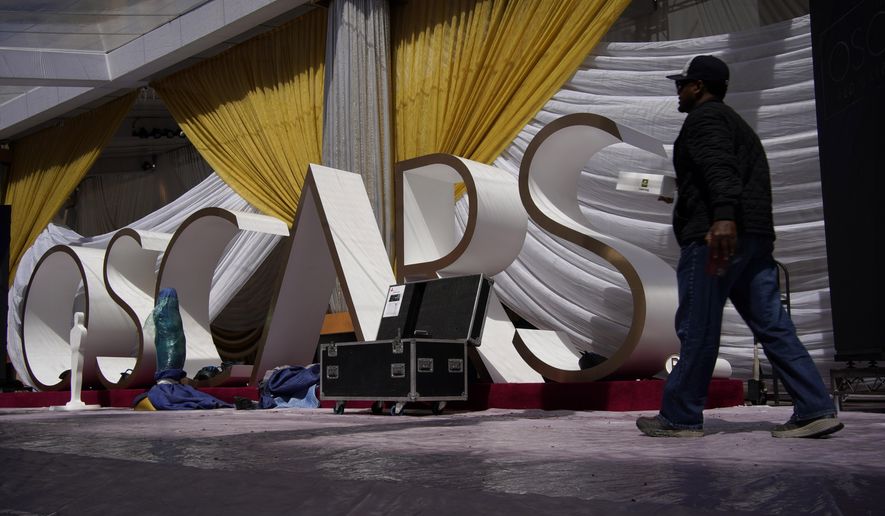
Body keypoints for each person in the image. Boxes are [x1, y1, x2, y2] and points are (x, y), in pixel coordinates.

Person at [636, 55, 843, 438]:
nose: (677, 91)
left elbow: (720, 169)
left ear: (698, 86)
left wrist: (722, 216)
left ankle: (680, 417)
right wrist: (687, 193)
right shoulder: (735, 123)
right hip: (752, 239)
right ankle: (815, 408)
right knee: (773, 325)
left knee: (698, 326)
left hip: (715, 239)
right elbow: (724, 171)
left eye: (682, 84)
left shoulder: (704, 119)